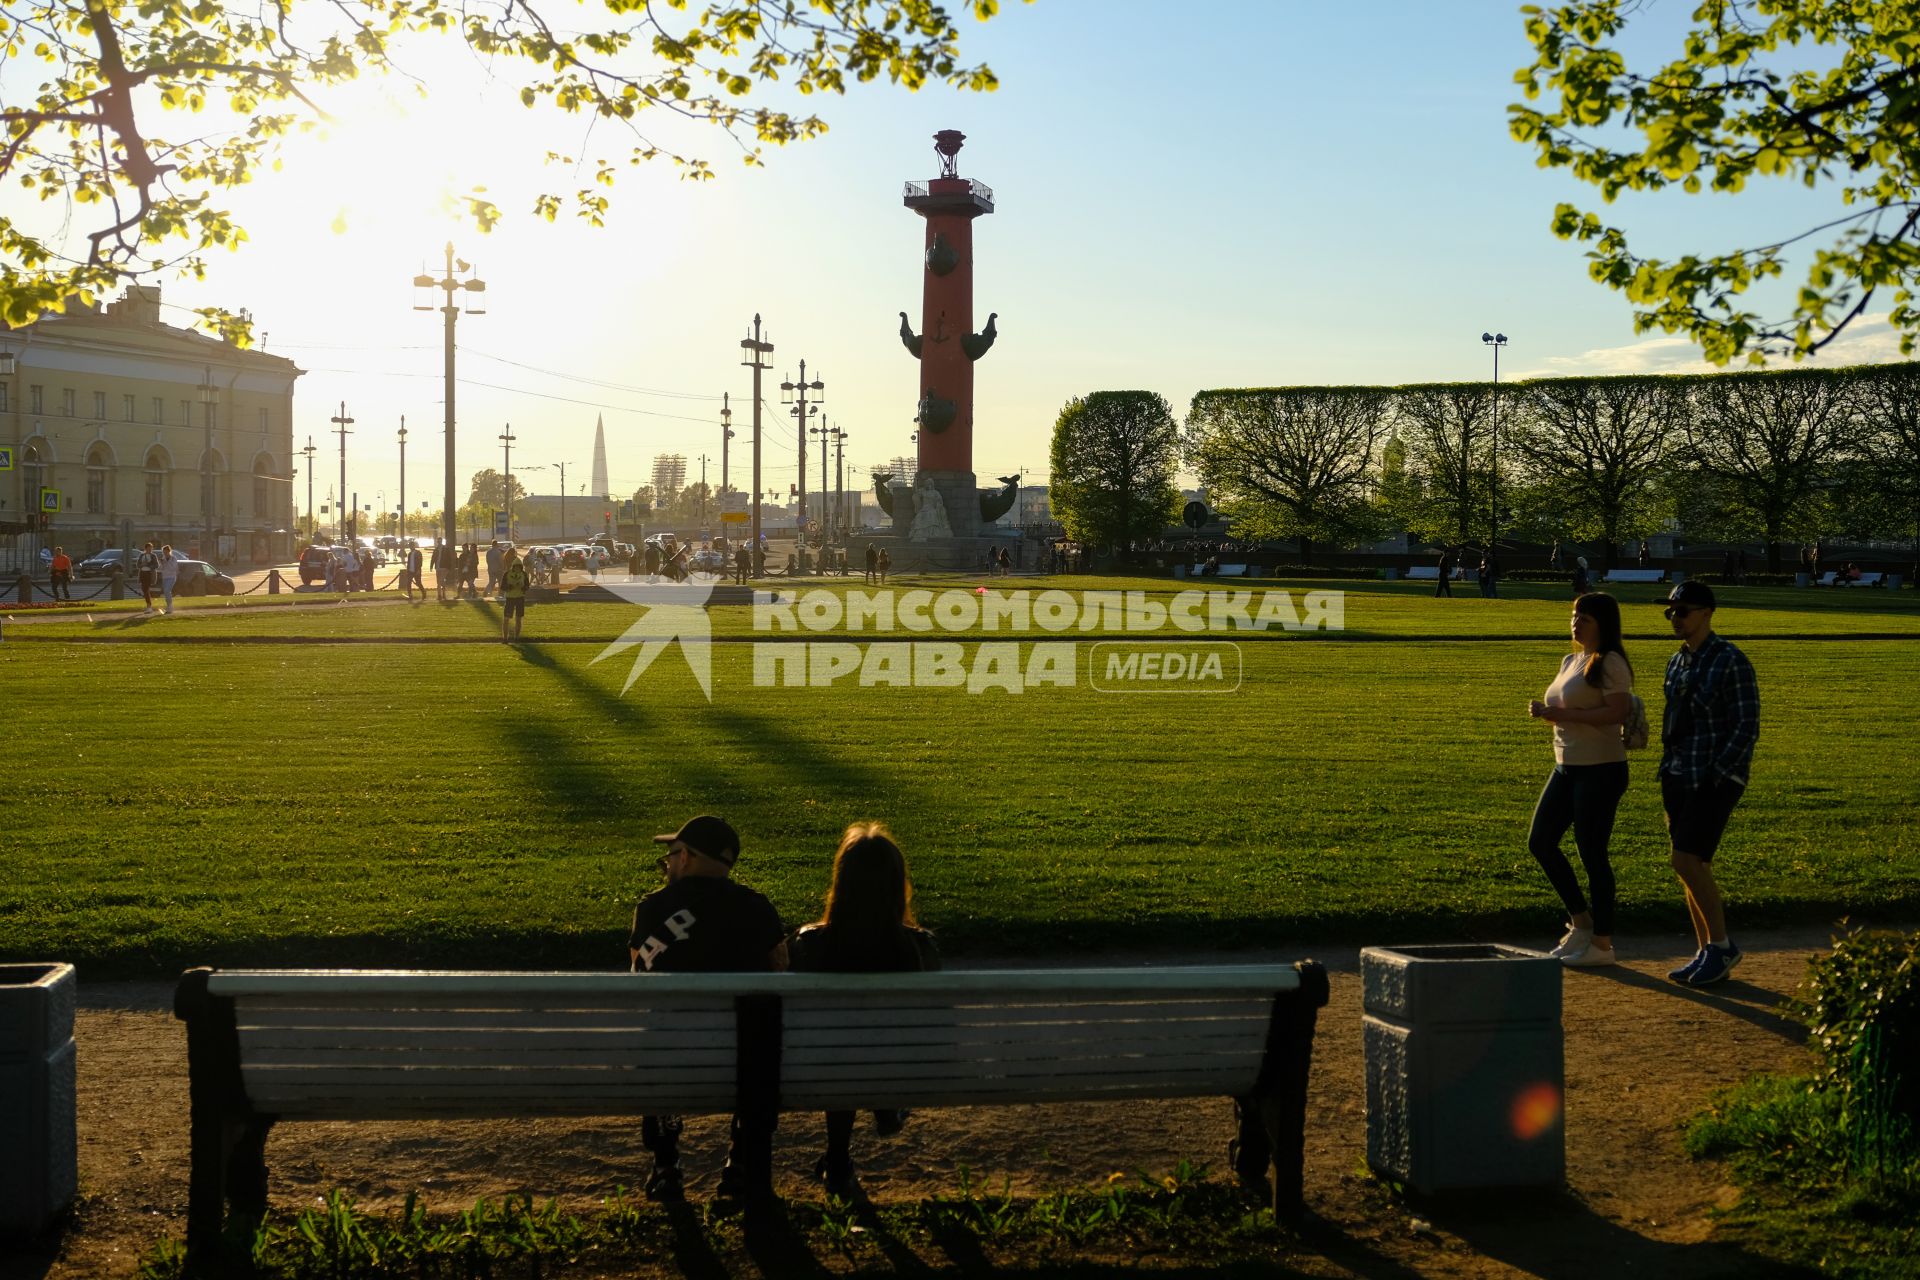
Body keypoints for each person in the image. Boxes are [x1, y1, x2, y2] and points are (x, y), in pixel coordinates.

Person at [628, 816, 787, 1204]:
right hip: (744, 1064)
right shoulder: (756, 908)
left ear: (685, 858)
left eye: (670, 856)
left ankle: (666, 1164)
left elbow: (636, 976)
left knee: (658, 1026)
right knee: (758, 1029)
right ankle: (741, 1158)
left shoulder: (652, 909)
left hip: (672, 1059)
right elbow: (780, 972)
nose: (668, 864)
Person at [789, 823, 940, 1196]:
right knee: (870, 1046)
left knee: (840, 1047)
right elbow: (931, 1023)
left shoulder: (810, 943)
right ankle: (885, 1101)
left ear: (841, 882)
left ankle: (838, 1161)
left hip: (817, 1064)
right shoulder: (919, 948)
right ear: (897, 884)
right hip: (897, 1065)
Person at [1658, 582, 1760, 987]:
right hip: (1679, 772)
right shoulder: (1678, 661)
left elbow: (1746, 725)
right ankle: (1707, 952)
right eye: (1670, 611)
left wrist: (1718, 772)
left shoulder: (1730, 659)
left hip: (1713, 777)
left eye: (1682, 611)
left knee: (1684, 860)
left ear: (1706, 613)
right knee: (1692, 867)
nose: (1674, 618)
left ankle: (1721, 946)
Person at [1526, 593, 1634, 968]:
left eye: (1585, 618)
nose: (1576, 623)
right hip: (1567, 766)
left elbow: (1618, 712)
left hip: (1601, 768)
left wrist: (1561, 712)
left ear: (1603, 624)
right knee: (1540, 842)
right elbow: (1568, 707)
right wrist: (1547, 712)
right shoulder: (1571, 660)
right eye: (1574, 616)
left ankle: (1602, 946)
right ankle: (1582, 923)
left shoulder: (1611, 662)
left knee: (1592, 853)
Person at [498, 549, 530, 642]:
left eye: (519, 567)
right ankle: (505, 638)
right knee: (506, 618)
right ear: (513, 567)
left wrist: (523, 587)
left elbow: (527, 586)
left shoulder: (523, 574)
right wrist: (510, 587)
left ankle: (517, 637)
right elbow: (502, 587)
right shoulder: (507, 574)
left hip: (520, 598)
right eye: (516, 567)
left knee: (518, 618)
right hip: (510, 598)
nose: (517, 569)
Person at [136, 541, 160, 612]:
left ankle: (149, 606)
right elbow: (138, 565)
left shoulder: (153, 556)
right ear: (145, 548)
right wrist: (142, 565)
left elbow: (156, 565)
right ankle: (149, 605)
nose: (150, 550)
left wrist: (148, 565)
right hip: (142, 573)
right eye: (148, 548)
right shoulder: (141, 555)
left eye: (151, 548)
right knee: (144, 589)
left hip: (149, 573)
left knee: (146, 589)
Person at [159, 544, 181, 614]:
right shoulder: (163, 559)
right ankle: (169, 606)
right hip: (165, 577)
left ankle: (170, 607)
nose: (165, 554)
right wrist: (161, 563)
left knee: (167, 590)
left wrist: (166, 563)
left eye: (166, 552)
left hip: (172, 577)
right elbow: (160, 569)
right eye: (163, 552)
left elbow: (173, 568)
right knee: (166, 592)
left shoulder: (173, 558)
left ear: (169, 551)